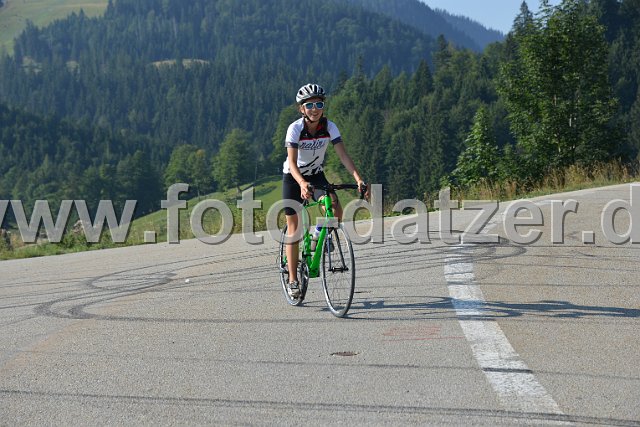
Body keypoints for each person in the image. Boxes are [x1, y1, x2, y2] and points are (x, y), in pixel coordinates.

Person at [282, 83, 366, 299]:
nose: (315, 109)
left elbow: (343, 155)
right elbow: (292, 162)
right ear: (301, 108)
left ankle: (319, 234)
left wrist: (358, 179)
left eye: (319, 104)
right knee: (294, 229)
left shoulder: (329, 127)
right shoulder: (295, 129)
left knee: (335, 208)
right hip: (293, 177)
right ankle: (293, 280)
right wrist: (302, 183)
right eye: (309, 105)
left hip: (316, 175)